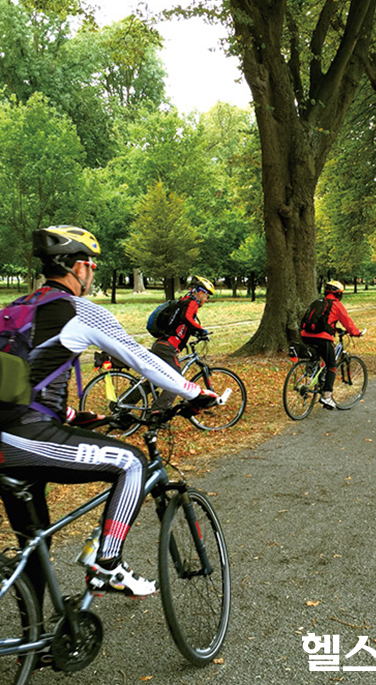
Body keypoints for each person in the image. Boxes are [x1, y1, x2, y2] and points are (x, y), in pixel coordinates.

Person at [0, 226, 217, 608]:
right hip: (23, 437)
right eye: (91, 265)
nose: (92, 273)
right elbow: (142, 358)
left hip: (13, 436)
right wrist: (193, 391)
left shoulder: (15, 309)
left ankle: (33, 638)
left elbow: (23, 381)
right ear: (78, 267)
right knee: (131, 462)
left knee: (34, 544)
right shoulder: (79, 311)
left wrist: (75, 415)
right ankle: (107, 564)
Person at [151, 276, 215, 412]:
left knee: (156, 379)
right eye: (207, 296)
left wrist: (195, 332)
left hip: (161, 345)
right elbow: (186, 318)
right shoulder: (192, 303)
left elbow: (182, 324)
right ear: (201, 293)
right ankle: (158, 411)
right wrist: (201, 330)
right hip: (167, 348)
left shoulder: (183, 302)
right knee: (177, 380)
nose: (207, 300)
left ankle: (126, 401)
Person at [300, 280, 362, 410]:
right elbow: (347, 322)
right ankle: (327, 397)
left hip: (305, 335)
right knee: (332, 365)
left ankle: (311, 372)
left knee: (318, 358)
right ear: (339, 294)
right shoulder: (337, 305)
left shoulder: (317, 302)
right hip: (322, 338)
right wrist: (356, 333)